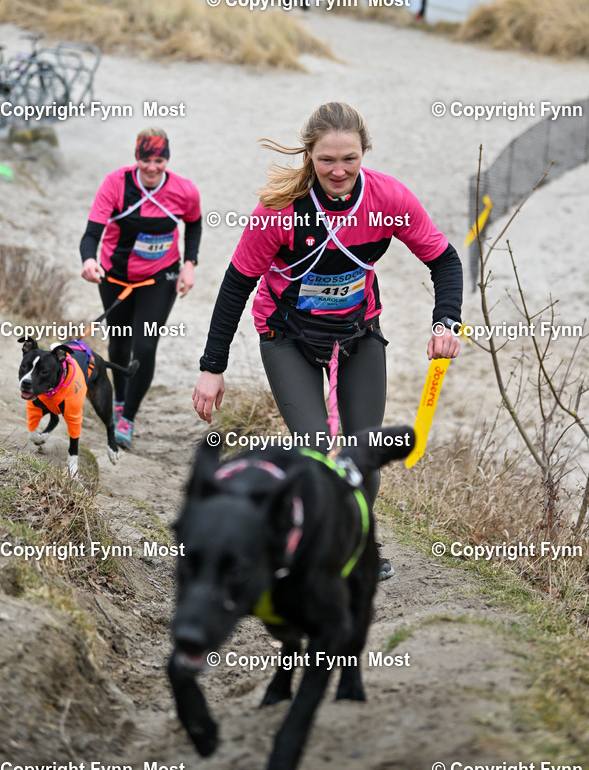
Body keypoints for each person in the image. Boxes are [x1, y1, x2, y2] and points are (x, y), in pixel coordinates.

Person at [192, 102, 462, 580]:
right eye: (327, 160)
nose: (339, 171)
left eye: (349, 159)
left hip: (358, 334)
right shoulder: (279, 211)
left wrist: (446, 322)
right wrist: (213, 367)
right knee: (317, 450)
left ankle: (355, 547)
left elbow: (444, 260)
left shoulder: (389, 199)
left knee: (364, 457)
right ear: (309, 156)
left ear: (365, 153)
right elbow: (236, 286)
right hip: (287, 337)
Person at [80, 127, 201, 450]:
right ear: (137, 157)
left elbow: (194, 223)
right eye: (146, 160)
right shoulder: (115, 184)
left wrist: (190, 263)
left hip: (159, 278)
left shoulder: (184, 190)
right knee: (119, 344)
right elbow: (91, 233)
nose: (152, 167)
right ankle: (119, 400)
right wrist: (89, 260)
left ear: (167, 160)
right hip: (116, 276)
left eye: (159, 160)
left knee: (145, 346)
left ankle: (127, 419)